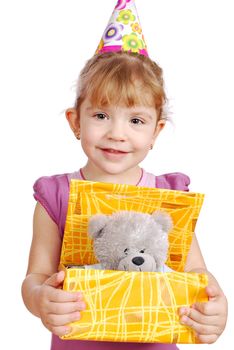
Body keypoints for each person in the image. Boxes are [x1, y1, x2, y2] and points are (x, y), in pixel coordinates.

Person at [21, 1, 227, 349]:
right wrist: (40, 299)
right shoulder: (56, 195)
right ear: (75, 121)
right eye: (101, 115)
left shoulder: (169, 196)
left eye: (135, 120)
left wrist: (215, 304)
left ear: (156, 132)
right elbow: (35, 277)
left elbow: (196, 274)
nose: (117, 133)